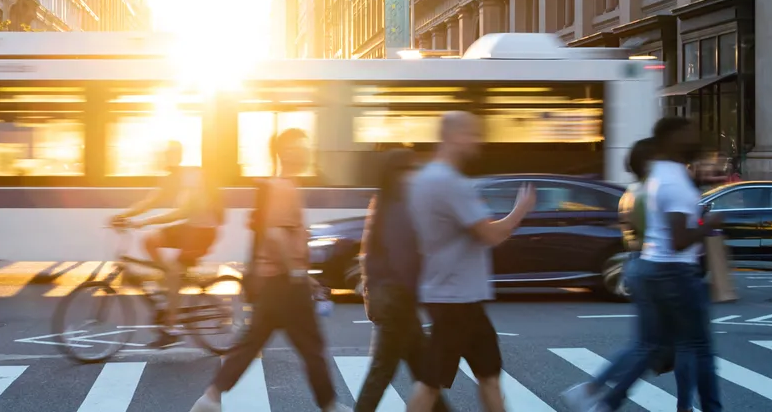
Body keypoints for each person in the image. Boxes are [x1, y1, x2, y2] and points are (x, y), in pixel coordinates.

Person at [189, 128, 350, 412]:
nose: (305, 151)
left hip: (274, 283)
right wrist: (297, 273)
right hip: (285, 284)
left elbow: (282, 236)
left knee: (252, 343)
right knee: (312, 347)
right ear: (286, 152)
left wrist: (306, 277)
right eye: (300, 146)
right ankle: (330, 406)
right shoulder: (283, 187)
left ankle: (211, 397)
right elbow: (275, 235)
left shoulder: (283, 185)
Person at [582, 117, 724, 412]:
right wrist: (707, 223)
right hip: (671, 269)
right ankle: (695, 406)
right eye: (689, 134)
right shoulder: (670, 182)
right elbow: (677, 239)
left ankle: (606, 398)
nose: (696, 138)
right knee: (693, 346)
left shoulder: (648, 185)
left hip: (646, 267)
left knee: (650, 345)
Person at [404, 112, 536, 412]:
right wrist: (521, 210)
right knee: (431, 382)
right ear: (453, 136)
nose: (477, 141)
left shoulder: (423, 179)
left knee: (488, 374)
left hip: (456, 295)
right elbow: (491, 234)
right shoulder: (450, 183)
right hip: (456, 299)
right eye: (472, 134)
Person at [562, 137, 672, 410]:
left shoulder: (632, 192)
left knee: (648, 344)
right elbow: (662, 237)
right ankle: (600, 394)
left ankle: (601, 394)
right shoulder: (651, 193)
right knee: (652, 346)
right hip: (655, 268)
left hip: (637, 264)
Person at [355, 149, 450, 412]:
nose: (413, 176)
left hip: (396, 302)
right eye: (407, 170)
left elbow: (370, 257)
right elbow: (403, 260)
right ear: (394, 174)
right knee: (383, 373)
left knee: (424, 372)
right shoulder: (398, 206)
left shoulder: (386, 202)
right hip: (398, 302)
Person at [111, 140, 222, 348]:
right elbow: (150, 201)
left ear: (178, 157)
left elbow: (181, 213)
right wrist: (123, 216)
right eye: (164, 155)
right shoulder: (172, 178)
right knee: (150, 240)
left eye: (169, 155)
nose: (165, 160)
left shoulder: (192, 179)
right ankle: (170, 279)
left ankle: (171, 328)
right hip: (190, 227)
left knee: (173, 273)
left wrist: (144, 221)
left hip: (203, 232)